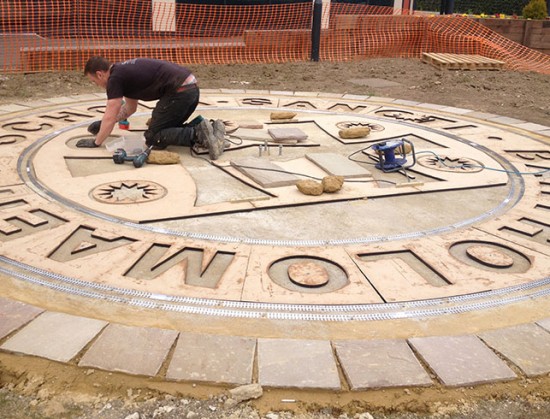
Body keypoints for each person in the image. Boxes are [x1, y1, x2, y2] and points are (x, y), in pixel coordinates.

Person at [77, 56, 225, 160]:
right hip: (190, 89)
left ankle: (197, 133)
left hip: (180, 92)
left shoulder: (115, 79)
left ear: (100, 74)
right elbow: (129, 109)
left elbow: (110, 113)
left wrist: (96, 142)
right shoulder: (122, 72)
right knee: (167, 128)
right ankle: (210, 128)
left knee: (154, 138)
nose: (97, 84)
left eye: (94, 81)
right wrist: (105, 125)